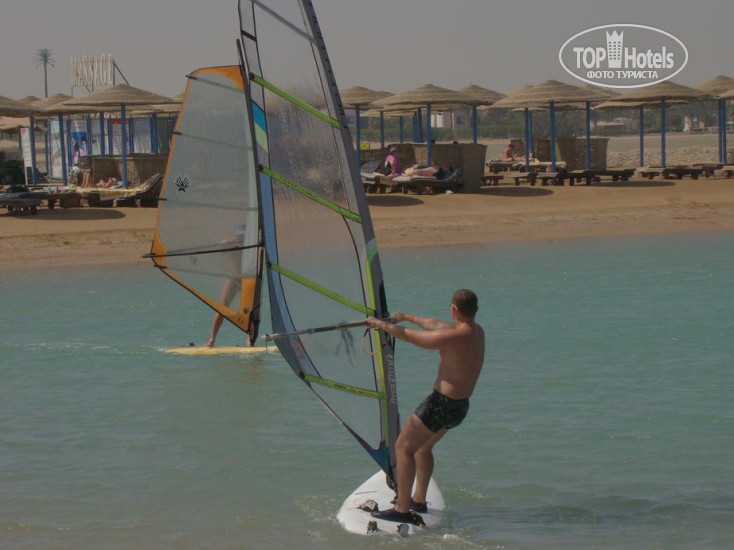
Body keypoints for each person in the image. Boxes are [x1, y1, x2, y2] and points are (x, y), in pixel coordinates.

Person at [365, 289, 485, 525]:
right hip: (460, 407)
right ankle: (418, 500)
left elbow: (414, 338)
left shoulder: (455, 336)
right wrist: (407, 317)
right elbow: (435, 324)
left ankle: (402, 509)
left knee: (403, 447)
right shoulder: (476, 331)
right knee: (423, 448)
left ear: (453, 309)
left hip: (441, 404)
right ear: (475, 310)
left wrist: (380, 325)